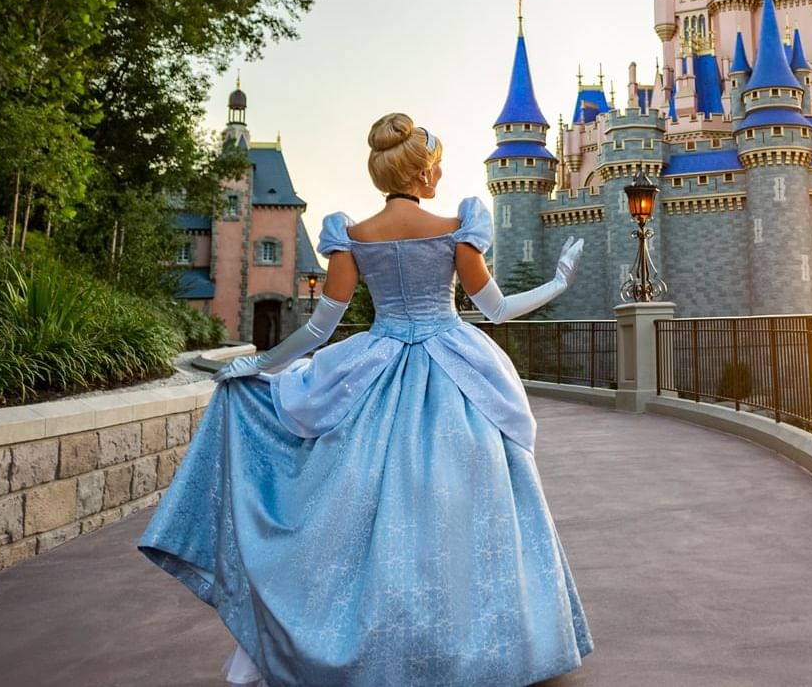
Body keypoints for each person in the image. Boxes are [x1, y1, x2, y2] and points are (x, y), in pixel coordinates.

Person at [138, 112, 594, 686]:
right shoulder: (458, 225)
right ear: (425, 171)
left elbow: (319, 329)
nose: (440, 174)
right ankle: (482, 648)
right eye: (438, 165)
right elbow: (496, 310)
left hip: (373, 369)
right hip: (455, 372)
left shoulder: (351, 235)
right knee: (467, 506)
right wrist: (558, 283)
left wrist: (258, 365)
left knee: (351, 508)